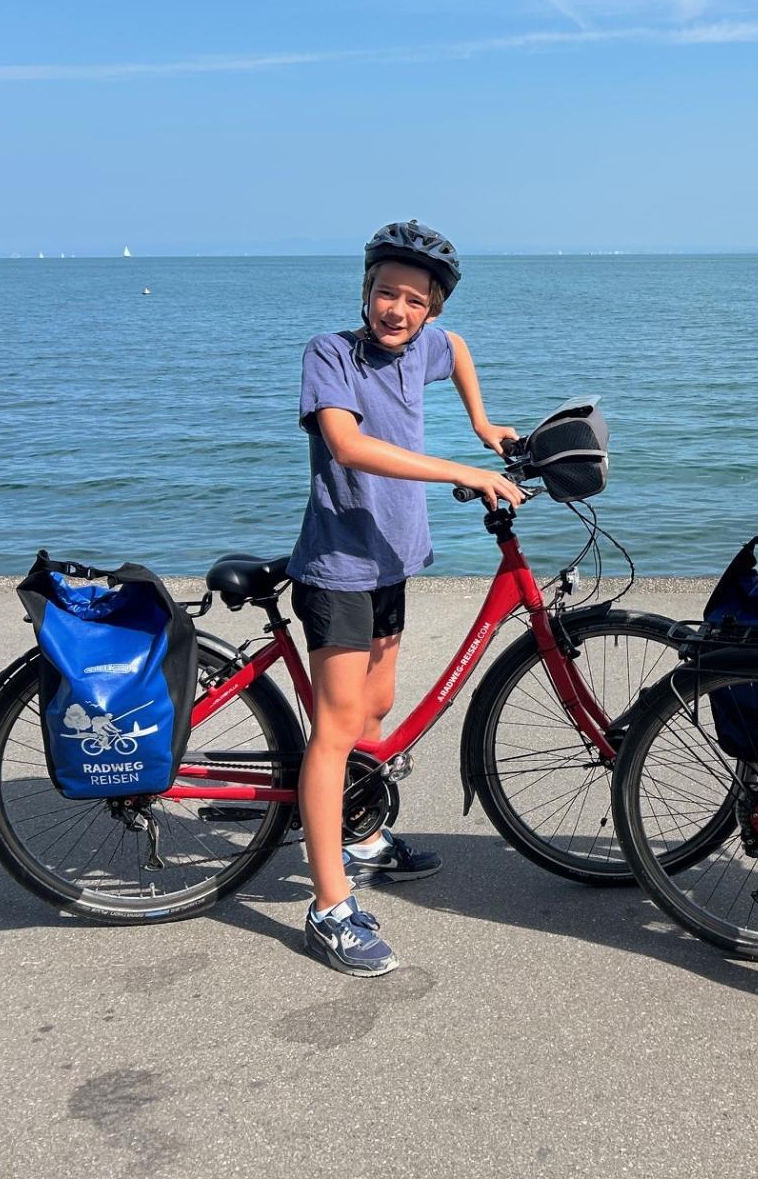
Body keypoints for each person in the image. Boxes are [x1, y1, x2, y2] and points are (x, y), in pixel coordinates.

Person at [288, 220, 526, 976]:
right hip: (337, 567)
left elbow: (456, 353)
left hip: (391, 561)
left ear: (432, 309)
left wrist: (484, 421)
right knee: (335, 730)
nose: (398, 309)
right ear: (364, 293)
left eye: (414, 300)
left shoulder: (431, 344)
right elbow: (349, 445)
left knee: (377, 707)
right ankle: (328, 906)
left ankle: (360, 835)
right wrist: (461, 467)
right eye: (385, 293)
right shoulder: (332, 354)